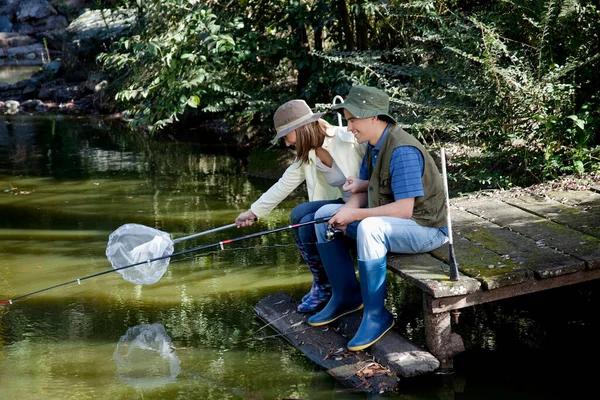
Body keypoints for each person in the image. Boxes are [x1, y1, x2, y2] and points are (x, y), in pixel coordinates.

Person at [307, 85, 449, 351]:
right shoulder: (373, 146)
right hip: (399, 224)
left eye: (352, 120)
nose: (349, 127)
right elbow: (367, 192)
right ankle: (345, 296)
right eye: (348, 120)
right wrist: (346, 210)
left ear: (373, 117)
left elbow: (404, 210)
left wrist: (355, 215)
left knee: (370, 228)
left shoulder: (401, 150)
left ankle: (376, 315)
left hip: (426, 229)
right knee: (323, 215)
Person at [235, 99, 366, 312]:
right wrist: (253, 212)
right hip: (342, 203)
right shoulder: (308, 153)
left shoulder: (347, 139)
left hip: (364, 204)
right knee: (299, 216)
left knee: (308, 220)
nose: (286, 143)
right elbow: (283, 185)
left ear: (299, 129)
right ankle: (323, 285)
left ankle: (340, 290)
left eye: (286, 136)